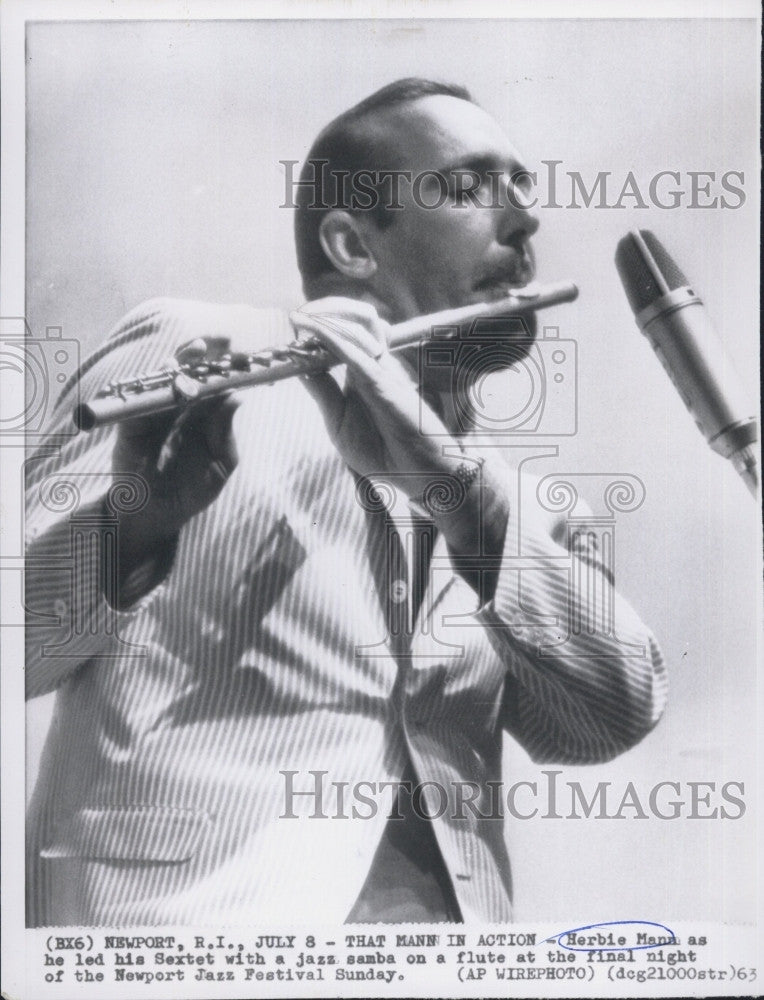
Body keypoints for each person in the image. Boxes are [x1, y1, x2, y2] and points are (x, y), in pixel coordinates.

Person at [25, 79, 667, 926]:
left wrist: (455, 495)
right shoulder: (198, 347)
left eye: (522, 187)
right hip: (183, 936)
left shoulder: (521, 508)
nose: (524, 220)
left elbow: (607, 721)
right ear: (353, 244)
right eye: (470, 186)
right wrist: (133, 525)